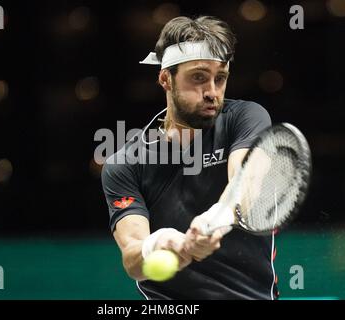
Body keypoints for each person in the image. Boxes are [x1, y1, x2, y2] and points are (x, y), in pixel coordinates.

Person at [101, 15, 278, 300]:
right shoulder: (125, 165)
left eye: (220, 78)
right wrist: (156, 245)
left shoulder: (246, 117)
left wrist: (215, 219)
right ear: (165, 79)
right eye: (198, 77)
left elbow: (246, 184)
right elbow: (132, 261)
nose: (211, 92)